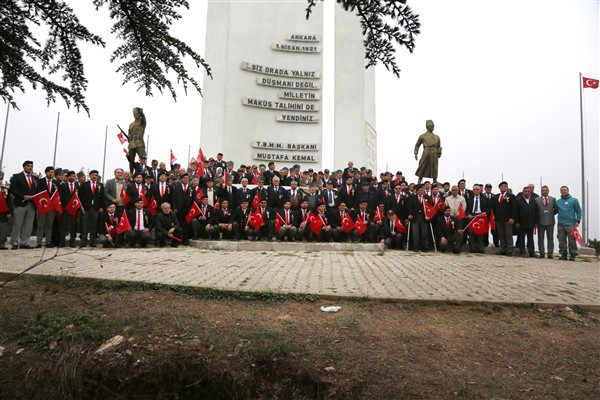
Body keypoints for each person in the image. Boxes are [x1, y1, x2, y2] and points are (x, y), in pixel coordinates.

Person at [9, 160, 38, 249]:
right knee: (18, 223)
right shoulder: (17, 177)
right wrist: (23, 196)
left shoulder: (35, 178)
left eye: (31, 166)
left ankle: (24, 242)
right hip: (20, 204)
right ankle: (14, 241)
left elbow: (37, 190)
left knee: (28, 224)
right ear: (24, 167)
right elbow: (12, 190)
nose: (30, 167)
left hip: (32, 204)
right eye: (28, 166)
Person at [79, 170, 105, 247]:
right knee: (85, 225)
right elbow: (80, 196)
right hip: (86, 208)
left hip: (96, 208)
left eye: (96, 175)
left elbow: (102, 197)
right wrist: (82, 206)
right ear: (90, 176)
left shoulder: (100, 185)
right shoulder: (84, 184)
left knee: (94, 225)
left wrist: (101, 207)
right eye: (93, 175)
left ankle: (92, 242)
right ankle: (83, 241)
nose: (94, 176)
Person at [556, 186, 582, 261]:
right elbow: (555, 210)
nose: (564, 191)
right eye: (562, 190)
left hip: (571, 224)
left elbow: (579, 211)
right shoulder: (558, 201)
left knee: (572, 240)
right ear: (560, 191)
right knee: (561, 240)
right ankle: (563, 254)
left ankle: (573, 254)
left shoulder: (574, 200)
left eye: (565, 190)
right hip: (560, 224)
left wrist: (578, 220)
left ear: (568, 191)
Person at [491, 181, 517, 256]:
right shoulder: (496, 197)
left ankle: (510, 250)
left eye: (505, 186)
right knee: (501, 235)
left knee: (508, 235)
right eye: (502, 186)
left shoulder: (511, 196)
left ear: (507, 187)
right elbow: (493, 207)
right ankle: (503, 249)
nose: (503, 187)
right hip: (498, 219)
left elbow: (514, 208)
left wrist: (512, 217)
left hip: (508, 219)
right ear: (499, 187)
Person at [35, 166, 58, 248]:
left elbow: (57, 195)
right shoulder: (40, 181)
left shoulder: (56, 182)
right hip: (42, 206)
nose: (51, 173)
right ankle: (39, 242)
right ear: (46, 173)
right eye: (49, 172)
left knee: (49, 225)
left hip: (52, 208)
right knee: (41, 225)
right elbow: (38, 192)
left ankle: (48, 241)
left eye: (52, 172)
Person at [414, 120, 442, 184]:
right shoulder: (423, 136)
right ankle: (419, 179)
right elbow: (417, 145)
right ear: (427, 127)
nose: (431, 128)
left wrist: (439, 152)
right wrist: (416, 153)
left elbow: (439, 146)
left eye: (432, 126)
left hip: (434, 152)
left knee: (434, 166)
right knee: (422, 165)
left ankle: (435, 180)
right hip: (427, 152)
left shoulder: (437, 137)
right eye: (430, 126)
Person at [514, 186, 539, 257]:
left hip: (531, 223)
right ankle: (522, 252)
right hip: (521, 223)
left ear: (530, 193)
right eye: (526, 191)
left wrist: (536, 222)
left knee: (530, 238)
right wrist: (517, 222)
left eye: (528, 191)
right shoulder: (518, 200)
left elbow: (536, 212)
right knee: (521, 238)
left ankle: (531, 252)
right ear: (523, 192)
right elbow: (516, 213)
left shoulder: (533, 201)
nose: (527, 192)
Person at [535, 185, 558, 259]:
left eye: (546, 190)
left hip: (550, 221)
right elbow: (535, 210)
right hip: (540, 221)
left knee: (550, 238)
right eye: (543, 190)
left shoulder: (553, 199)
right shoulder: (537, 200)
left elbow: (556, 209)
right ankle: (542, 252)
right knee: (540, 238)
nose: (544, 192)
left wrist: (551, 214)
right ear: (541, 191)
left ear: (548, 191)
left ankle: (550, 253)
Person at [126, 107, 147, 174]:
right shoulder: (131, 125)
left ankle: (144, 171)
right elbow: (129, 134)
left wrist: (141, 112)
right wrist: (129, 137)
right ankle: (131, 173)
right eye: (134, 113)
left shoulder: (142, 122)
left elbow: (144, 118)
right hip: (132, 143)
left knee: (143, 158)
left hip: (139, 142)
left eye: (137, 113)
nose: (136, 114)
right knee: (131, 160)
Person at [0, 172, 13, 250]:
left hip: (3, 211)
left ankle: (2, 244)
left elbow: (9, 201)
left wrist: (10, 211)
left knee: (3, 228)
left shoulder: (5, 189)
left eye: (1, 179)